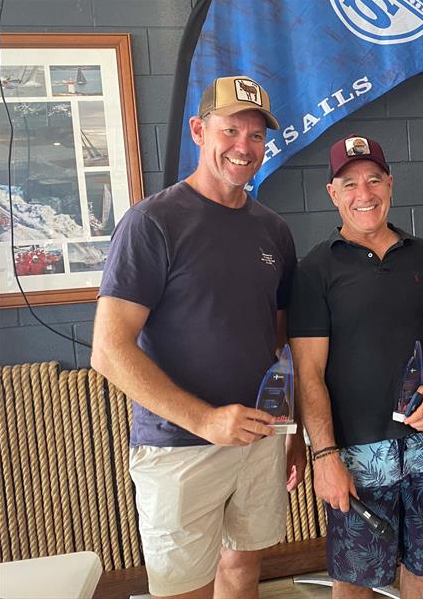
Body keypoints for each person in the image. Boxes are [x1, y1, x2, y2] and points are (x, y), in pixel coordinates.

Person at [91, 76, 306, 599]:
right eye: (230, 130)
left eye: (256, 136)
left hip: (259, 440)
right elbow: (108, 351)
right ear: (198, 129)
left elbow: (281, 344)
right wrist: (205, 420)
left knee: (242, 572)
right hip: (179, 448)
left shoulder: (273, 230)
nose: (243, 147)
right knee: (183, 589)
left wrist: (293, 433)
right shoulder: (152, 222)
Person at [288, 134, 423, 599]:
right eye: (349, 184)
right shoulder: (315, 270)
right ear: (332, 193)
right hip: (356, 455)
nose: (363, 194)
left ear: (390, 183)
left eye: (373, 180)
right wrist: (324, 457)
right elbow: (308, 374)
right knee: (356, 576)